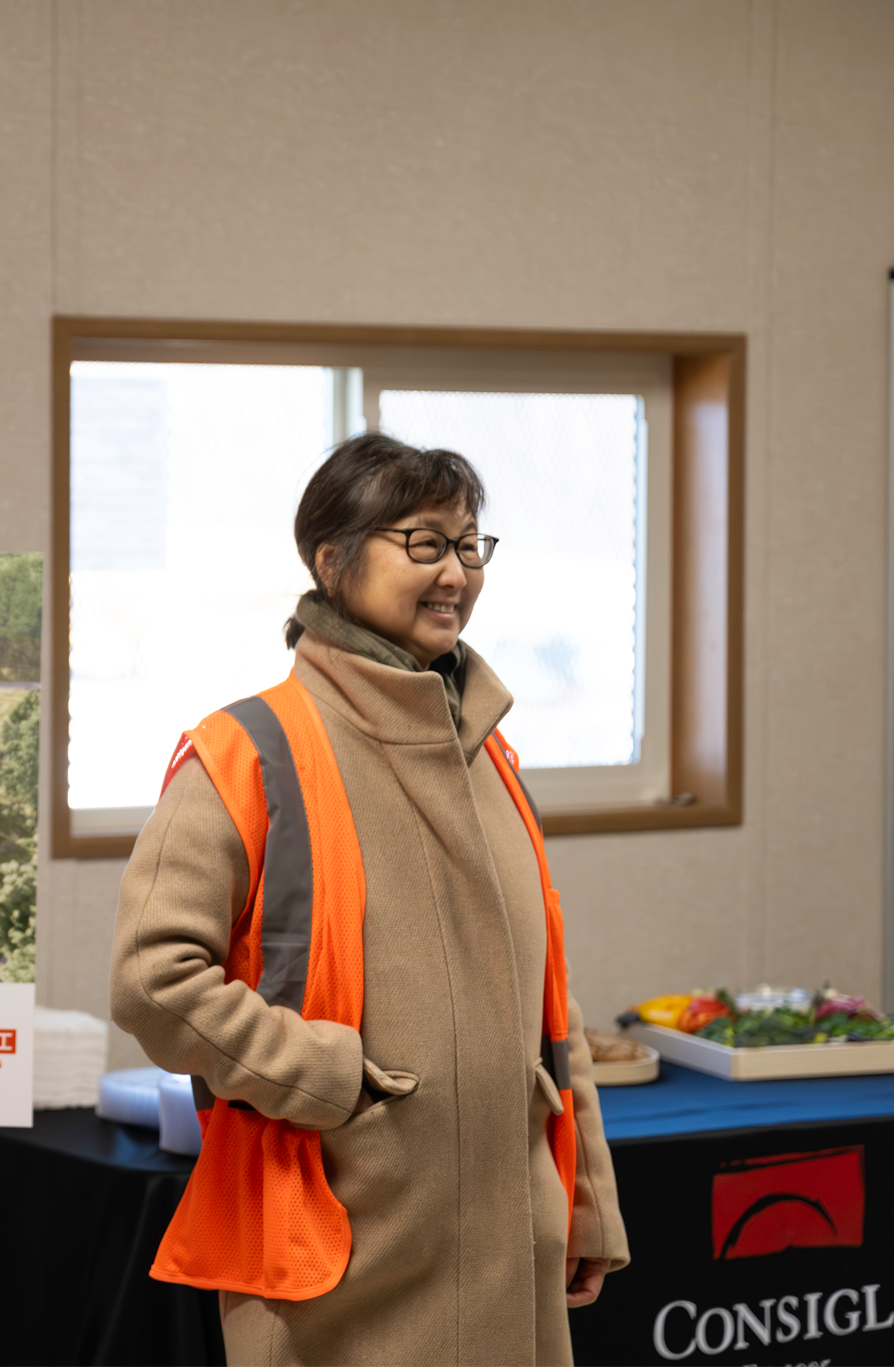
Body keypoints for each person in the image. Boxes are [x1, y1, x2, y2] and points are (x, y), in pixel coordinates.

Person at [109, 433, 628, 1367]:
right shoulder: (247, 750)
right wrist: (325, 1077)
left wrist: (585, 1196)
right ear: (330, 558)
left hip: (515, 1246)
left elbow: (549, 1001)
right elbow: (153, 982)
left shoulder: (493, 757)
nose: (456, 576)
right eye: (422, 544)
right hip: (344, 1254)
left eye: (470, 546)